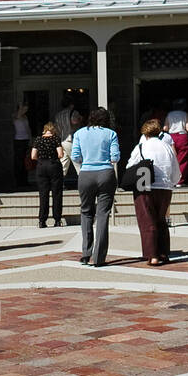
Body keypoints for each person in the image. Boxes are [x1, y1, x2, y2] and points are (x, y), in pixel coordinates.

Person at [125, 119, 181, 265]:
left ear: (145, 132)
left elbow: (130, 165)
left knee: (147, 221)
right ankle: (163, 253)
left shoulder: (141, 146)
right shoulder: (167, 147)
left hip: (144, 186)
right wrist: (172, 183)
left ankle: (152, 255)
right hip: (165, 188)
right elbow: (176, 171)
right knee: (161, 220)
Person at [71, 107, 120, 266]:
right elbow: (115, 157)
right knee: (103, 214)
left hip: (86, 174)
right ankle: (99, 257)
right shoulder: (110, 134)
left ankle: (86, 253)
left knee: (86, 212)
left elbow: (75, 156)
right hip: (106, 173)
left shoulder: (79, 133)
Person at [30, 122, 65, 227]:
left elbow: (33, 156)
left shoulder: (38, 139)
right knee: (57, 193)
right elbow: (60, 154)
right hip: (54, 165)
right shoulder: (56, 139)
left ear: (44, 130)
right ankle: (57, 220)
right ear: (53, 130)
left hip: (41, 166)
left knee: (43, 194)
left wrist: (41, 159)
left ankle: (42, 220)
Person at [163, 98, 188, 186]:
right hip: (182, 137)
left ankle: (170, 180)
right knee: (182, 159)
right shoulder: (185, 114)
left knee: (171, 158)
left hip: (171, 137)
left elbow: (165, 128)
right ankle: (179, 181)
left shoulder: (169, 114)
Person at [11, 102, 32, 188]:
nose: (25, 110)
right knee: (19, 161)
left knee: (25, 161)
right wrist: (20, 107)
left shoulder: (25, 117)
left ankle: (25, 180)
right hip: (18, 140)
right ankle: (18, 181)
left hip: (25, 139)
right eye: (24, 108)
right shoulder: (15, 116)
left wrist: (30, 139)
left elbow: (28, 128)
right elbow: (18, 115)